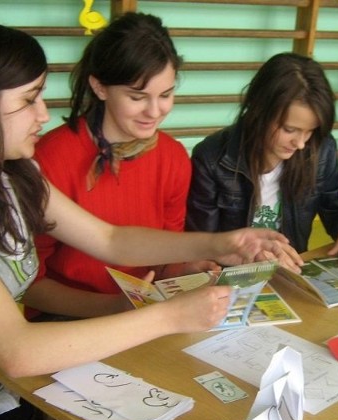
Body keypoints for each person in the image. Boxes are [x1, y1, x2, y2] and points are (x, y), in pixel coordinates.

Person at [0, 22, 302, 420]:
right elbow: (18, 350)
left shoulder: (11, 173)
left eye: (41, 96)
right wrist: (171, 315)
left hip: (4, 395)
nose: (43, 114)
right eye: (28, 100)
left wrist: (222, 242)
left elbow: (109, 238)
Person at [23, 12, 216, 319]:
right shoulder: (48, 160)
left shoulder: (173, 157)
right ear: (100, 88)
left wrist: (183, 268)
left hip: (142, 311)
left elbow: (163, 258)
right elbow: (30, 285)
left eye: (166, 95)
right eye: (137, 97)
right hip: (68, 318)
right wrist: (117, 308)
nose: (155, 111)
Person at [186, 52, 338, 268]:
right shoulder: (212, 158)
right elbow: (202, 243)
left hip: (290, 270)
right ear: (259, 111)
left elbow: (333, 204)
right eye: (290, 130)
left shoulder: (321, 148)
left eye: (310, 131)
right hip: (234, 276)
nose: (301, 144)